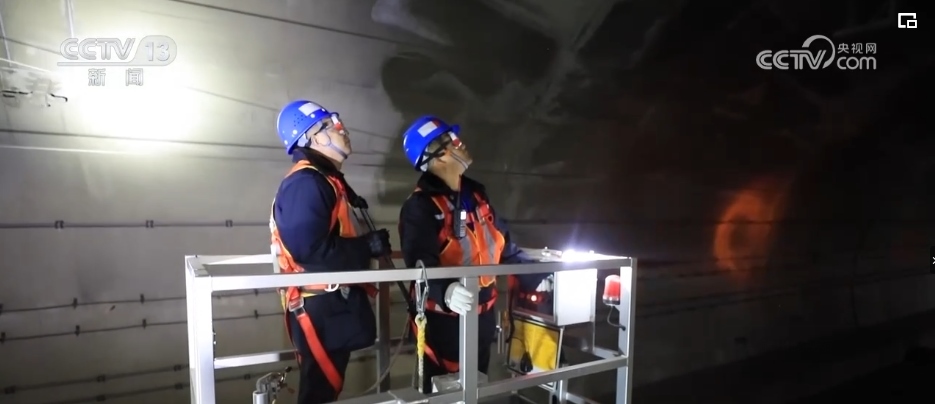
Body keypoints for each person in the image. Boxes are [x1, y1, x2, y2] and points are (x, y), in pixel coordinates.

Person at [397, 115, 553, 393]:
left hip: (483, 316)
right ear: (437, 155)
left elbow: (500, 241)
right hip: (445, 322)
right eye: (452, 140)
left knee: (475, 388)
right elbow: (419, 262)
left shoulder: (476, 194)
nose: (461, 143)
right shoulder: (420, 207)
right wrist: (446, 291)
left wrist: (536, 274)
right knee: (443, 393)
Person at [269, 100, 393, 403]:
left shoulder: (324, 180)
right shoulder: (305, 183)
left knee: (325, 390)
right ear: (309, 138)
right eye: (328, 125)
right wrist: (367, 246)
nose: (342, 128)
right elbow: (309, 250)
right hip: (321, 308)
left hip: (330, 305)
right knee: (319, 392)